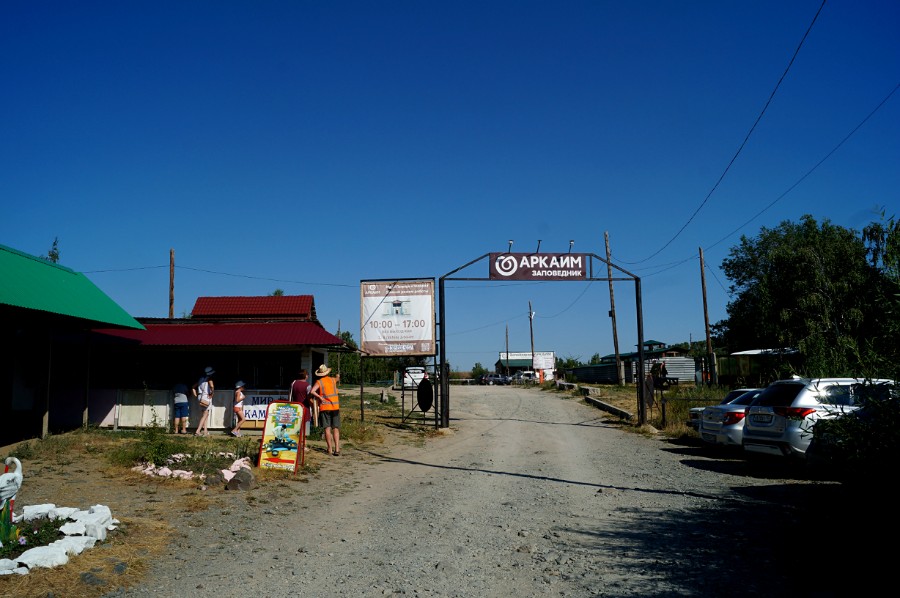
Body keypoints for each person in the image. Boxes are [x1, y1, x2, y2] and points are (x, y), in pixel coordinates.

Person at [310, 364, 341, 456]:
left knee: (327, 428)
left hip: (325, 407)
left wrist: (320, 397)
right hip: (335, 407)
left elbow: (312, 391)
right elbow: (337, 378)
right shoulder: (332, 380)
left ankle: (330, 449)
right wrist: (337, 376)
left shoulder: (319, 382)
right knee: (335, 428)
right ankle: (337, 449)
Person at [289, 369, 312, 444]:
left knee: (295, 426)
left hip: (295, 407)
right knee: (304, 427)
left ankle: (295, 442)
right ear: (306, 376)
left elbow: (290, 395)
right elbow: (309, 398)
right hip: (304, 407)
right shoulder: (308, 386)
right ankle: (302, 444)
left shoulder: (293, 383)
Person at [192, 366, 215, 437]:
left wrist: (195, 394)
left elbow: (193, 387)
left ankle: (205, 431)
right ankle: (198, 431)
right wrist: (212, 393)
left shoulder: (200, 379)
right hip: (205, 397)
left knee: (205, 414)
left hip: (200, 397)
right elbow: (211, 386)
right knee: (205, 414)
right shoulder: (209, 379)